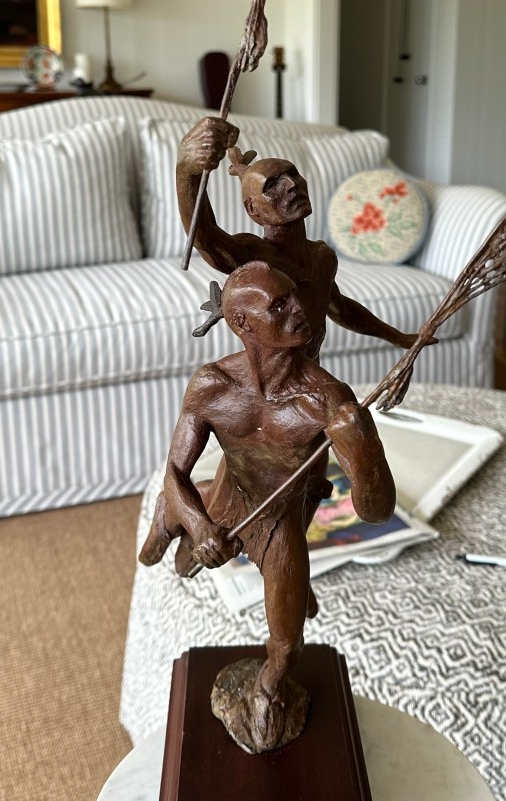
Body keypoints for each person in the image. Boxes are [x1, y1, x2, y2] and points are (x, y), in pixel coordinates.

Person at [139, 261, 395, 752]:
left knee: (287, 643)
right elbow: (173, 471)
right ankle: (168, 524)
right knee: (179, 558)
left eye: (296, 295)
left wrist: (366, 453)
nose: (300, 309)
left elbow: (376, 512)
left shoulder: (326, 400)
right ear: (242, 323)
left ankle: (269, 688)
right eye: (279, 305)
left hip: (280, 518)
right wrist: (200, 526)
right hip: (229, 492)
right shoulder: (212, 385)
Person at [177, 116, 428, 363]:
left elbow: (342, 310)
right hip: (273, 381)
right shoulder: (256, 259)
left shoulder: (322, 257)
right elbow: (205, 237)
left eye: (293, 174)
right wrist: (188, 172)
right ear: (253, 210)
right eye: (272, 185)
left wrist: (400, 338)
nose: (291, 185)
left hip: (310, 372)